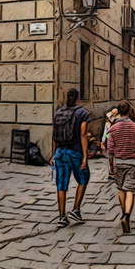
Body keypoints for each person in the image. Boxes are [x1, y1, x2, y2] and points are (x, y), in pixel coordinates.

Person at [105, 100, 135, 234]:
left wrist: (111, 165)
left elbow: (110, 149)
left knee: (121, 189)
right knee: (130, 189)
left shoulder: (113, 128)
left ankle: (123, 212)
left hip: (118, 162)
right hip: (132, 163)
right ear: (129, 111)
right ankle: (127, 216)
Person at [51, 87, 92, 226]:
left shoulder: (58, 112)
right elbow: (83, 134)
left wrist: (53, 154)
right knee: (83, 178)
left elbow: (54, 134)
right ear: (77, 98)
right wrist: (85, 156)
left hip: (60, 152)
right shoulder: (82, 112)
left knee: (61, 185)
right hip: (75, 152)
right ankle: (76, 209)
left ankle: (62, 216)